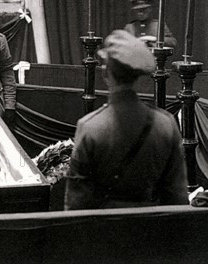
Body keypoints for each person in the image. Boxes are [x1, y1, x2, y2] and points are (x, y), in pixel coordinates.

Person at [65, 30, 188, 210]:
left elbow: (76, 204)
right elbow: (177, 198)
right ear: (136, 75)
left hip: (103, 232)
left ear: (106, 74)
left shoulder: (90, 127)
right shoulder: (166, 124)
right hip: (150, 231)